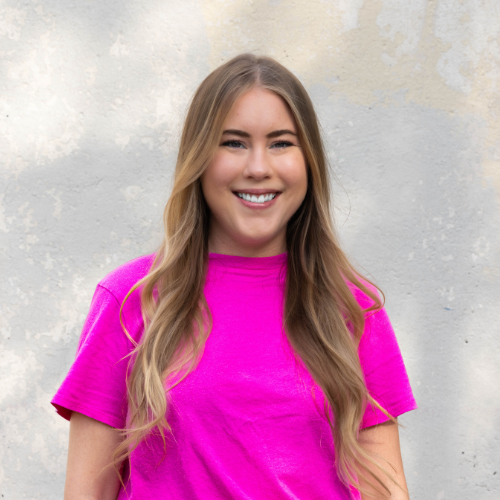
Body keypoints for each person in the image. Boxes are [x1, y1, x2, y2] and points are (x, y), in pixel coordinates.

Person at [52, 53, 417, 500]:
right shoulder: (130, 299)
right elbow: (87, 492)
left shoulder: (351, 307)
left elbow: (386, 490)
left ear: (309, 163)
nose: (258, 167)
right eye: (234, 143)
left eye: (282, 143)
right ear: (199, 159)